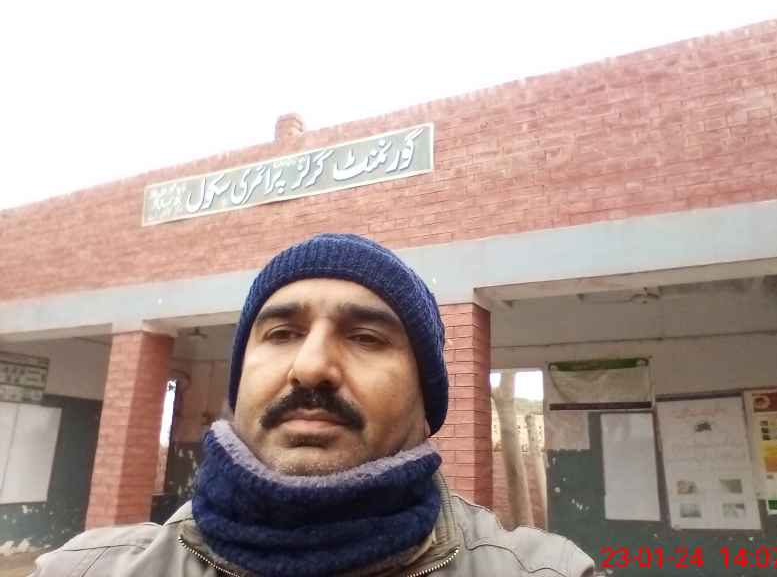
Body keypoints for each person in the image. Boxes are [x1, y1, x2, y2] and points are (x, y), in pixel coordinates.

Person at [32, 233, 595, 577]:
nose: (311, 366)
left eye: (366, 337)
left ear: (427, 403)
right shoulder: (84, 570)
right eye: (281, 333)